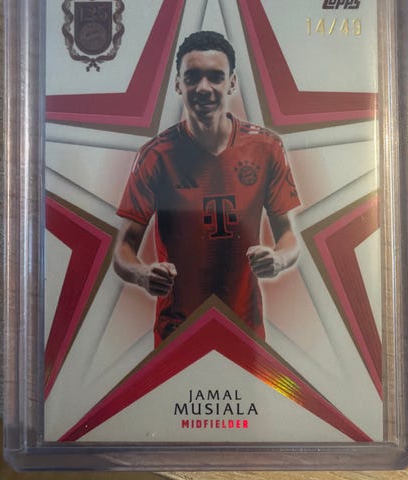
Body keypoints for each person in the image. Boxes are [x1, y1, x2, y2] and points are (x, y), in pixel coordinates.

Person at [114, 31, 300, 346]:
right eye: (192, 77)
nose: (203, 88)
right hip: (177, 333)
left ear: (232, 83)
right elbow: (123, 250)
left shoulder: (267, 147)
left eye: (215, 77)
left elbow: (289, 236)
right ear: (178, 84)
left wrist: (279, 259)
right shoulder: (155, 156)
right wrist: (142, 275)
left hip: (245, 329)